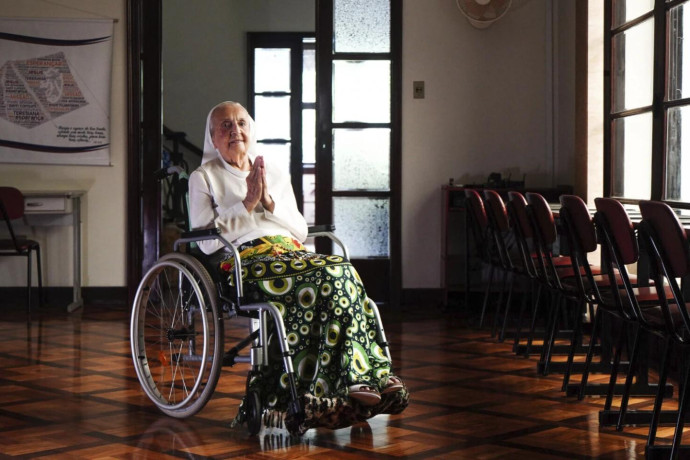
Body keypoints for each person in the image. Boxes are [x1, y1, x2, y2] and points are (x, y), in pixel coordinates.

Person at [188, 101, 407, 434]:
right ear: (213, 138)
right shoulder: (203, 177)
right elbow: (205, 242)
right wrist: (246, 203)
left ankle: (368, 375)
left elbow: (300, 230)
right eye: (225, 126)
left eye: (242, 123)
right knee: (326, 274)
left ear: (252, 130)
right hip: (244, 262)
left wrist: (269, 202)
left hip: (289, 253)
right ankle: (331, 385)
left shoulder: (272, 171)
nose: (235, 131)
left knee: (339, 269)